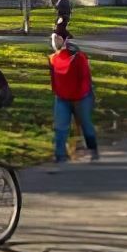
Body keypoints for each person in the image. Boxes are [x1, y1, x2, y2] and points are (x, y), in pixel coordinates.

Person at [49, 32, 99, 162]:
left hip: (80, 97)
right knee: (60, 126)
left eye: (57, 38)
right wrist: (57, 92)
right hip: (62, 97)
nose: (54, 41)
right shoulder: (53, 59)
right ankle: (60, 155)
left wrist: (81, 96)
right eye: (53, 38)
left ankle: (93, 149)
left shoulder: (79, 58)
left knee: (85, 124)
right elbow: (54, 78)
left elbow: (85, 79)